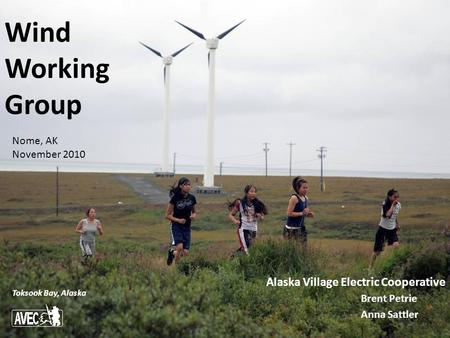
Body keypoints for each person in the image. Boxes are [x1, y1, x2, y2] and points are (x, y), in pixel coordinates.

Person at [166, 177, 197, 265]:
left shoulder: (192, 198)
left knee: (186, 253)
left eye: (189, 185)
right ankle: (177, 269)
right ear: (180, 186)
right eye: (185, 185)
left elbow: (194, 212)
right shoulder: (175, 198)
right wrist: (178, 220)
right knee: (179, 247)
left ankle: (172, 253)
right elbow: (167, 215)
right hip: (176, 226)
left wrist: (193, 216)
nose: (188, 187)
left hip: (187, 227)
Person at [228, 184, 267, 255]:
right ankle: (248, 263)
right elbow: (231, 215)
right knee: (246, 250)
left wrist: (260, 216)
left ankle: (233, 257)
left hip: (253, 229)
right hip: (243, 228)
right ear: (246, 193)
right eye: (251, 192)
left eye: (255, 192)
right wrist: (235, 221)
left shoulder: (258, 204)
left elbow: (262, 218)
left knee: (250, 247)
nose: (253, 194)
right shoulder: (240, 203)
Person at [369, 188, 401, 270]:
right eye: (395, 197)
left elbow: (394, 216)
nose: (396, 199)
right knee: (377, 252)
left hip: (392, 229)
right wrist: (392, 206)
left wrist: (397, 224)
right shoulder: (385, 204)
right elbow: (388, 215)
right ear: (389, 197)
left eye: (398, 197)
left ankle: (394, 264)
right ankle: (370, 268)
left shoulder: (399, 205)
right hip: (382, 229)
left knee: (396, 245)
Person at [283, 177, 314, 242]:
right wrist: (302, 213)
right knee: (291, 250)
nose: (306, 189)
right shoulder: (294, 198)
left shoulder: (306, 198)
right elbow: (289, 213)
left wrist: (308, 214)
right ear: (298, 188)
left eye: (307, 188)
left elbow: (303, 212)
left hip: (301, 228)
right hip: (291, 230)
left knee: (303, 250)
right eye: (304, 188)